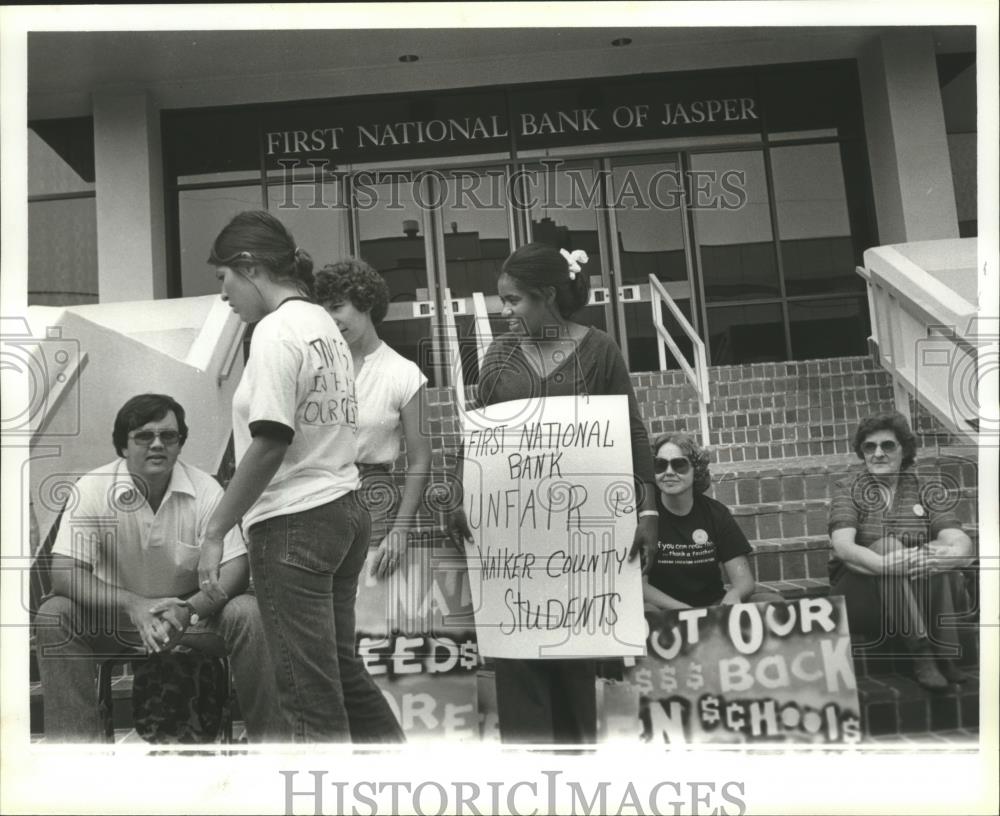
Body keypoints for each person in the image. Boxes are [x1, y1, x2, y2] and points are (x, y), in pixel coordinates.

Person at [198, 211, 402, 742]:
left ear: (248, 266)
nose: (223, 295)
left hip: (294, 523)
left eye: (223, 278)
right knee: (339, 672)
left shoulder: (273, 330)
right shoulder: (320, 324)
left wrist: (217, 528)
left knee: (308, 697)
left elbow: (270, 440)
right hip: (343, 510)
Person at [447, 242, 658, 744]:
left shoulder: (600, 348)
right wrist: (458, 492)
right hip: (514, 546)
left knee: (575, 663)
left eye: (513, 300)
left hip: (581, 546)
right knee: (519, 666)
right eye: (502, 301)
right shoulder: (499, 355)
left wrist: (647, 511)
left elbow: (632, 433)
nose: (505, 312)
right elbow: (476, 435)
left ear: (547, 295)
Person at [34, 393, 283, 742]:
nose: (157, 445)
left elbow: (236, 568)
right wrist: (132, 604)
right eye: (143, 436)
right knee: (55, 614)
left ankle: (274, 753)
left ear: (180, 444)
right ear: (123, 445)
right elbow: (63, 573)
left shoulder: (204, 488)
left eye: (168, 436)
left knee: (248, 613)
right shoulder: (92, 488)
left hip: (190, 616)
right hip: (117, 617)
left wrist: (190, 610)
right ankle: (76, 760)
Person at [827, 412, 975, 691]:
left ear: (904, 450)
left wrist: (942, 556)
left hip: (913, 588)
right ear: (862, 452)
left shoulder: (925, 489)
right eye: (870, 447)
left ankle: (943, 654)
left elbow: (960, 542)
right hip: (859, 593)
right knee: (888, 546)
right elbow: (843, 546)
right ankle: (921, 652)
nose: (878, 453)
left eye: (887, 445)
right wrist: (885, 564)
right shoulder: (848, 488)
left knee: (938, 552)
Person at [315, 259, 431, 581]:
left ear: (366, 302)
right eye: (324, 312)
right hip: (319, 495)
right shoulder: (315, 368)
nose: (332, 320)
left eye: (338, 307)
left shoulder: (403, 373)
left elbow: (421, 459)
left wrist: (401, 531)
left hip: (374, 501)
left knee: (372, 610)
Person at [642, 432, 780, 612]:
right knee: (645, 612)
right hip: (665, 612)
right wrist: (686, 611)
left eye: (679, 465)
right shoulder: (646, 517)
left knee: (771, 601)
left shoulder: (716, 514)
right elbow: (641, 586)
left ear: (696, 469)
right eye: (660, 465)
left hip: (712, 608)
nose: (669, 472)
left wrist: (734, 594)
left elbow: (744, 581)